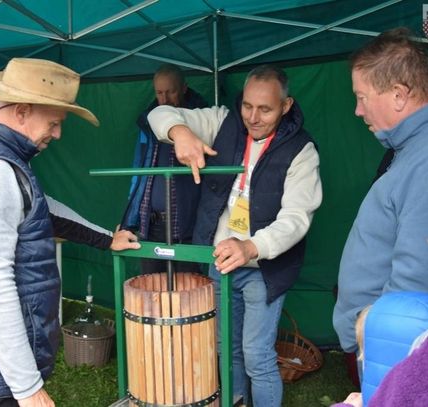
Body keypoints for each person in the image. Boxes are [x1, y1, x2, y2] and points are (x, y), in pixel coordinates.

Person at [0, 58, 140, 406]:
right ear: (23, 111)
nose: (57, 134)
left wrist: (106, 238)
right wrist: (27, 389)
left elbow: (41, 206)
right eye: (54, 123)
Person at [148, 64, 322, 407]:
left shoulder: (302, 151)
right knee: (227, 350)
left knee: (257, 354)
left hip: (264, 270)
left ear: (286, 106)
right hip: (220, 264)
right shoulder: (223, 121)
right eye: (247, 105)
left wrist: (252, 246)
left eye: (265, 109)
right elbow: (161, 114)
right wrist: (179, 132)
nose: (253, 117)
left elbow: (296, 219)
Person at [333, 27, 428, 356]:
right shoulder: (410, 150)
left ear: (399, 95)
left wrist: (376, 332)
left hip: (391, 346)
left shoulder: (424, 158)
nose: (358, 110)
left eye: (362, 97)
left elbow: (417, 271)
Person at [121, 63, 207, 274]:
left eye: (171, 91)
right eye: (160, 93)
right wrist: (128, 220)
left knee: (189, 294)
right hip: (151, 223)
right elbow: (138, 175)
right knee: (152, 292)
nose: (165, 99)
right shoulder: (147, 123)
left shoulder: (203, 119)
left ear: (184, 88)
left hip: (189, 224)